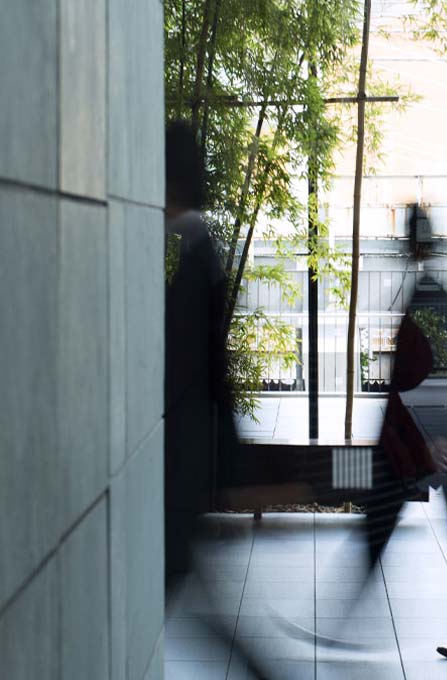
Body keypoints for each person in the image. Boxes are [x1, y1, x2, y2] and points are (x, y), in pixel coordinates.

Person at [340, 205, 447, 663]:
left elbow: (430, 371)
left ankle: (343, 619)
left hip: (427, 436)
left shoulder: (429, 292)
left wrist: (431, 439)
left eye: (409, 236)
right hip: (426, 433)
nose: (407, 244)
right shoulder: (428, 288)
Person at [162, 119, 274, 678]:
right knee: (200, 606)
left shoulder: (197, 260)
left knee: (186, 599)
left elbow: (203, 372)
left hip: (183, 460)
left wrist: (225, 468)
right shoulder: (199, 252)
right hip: (189, 458)